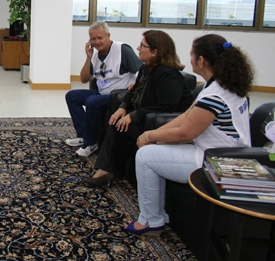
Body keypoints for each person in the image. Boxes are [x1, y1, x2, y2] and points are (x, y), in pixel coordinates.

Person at [128, 34, 254, 236]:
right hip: (220, 153)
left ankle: (150, 220)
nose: (190, 58)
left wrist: (150, 136)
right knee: (153, 149)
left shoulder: (215, 95)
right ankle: (158, 215)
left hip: (217, 161)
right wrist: (153, 135)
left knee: (144, 156)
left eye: (191, 54)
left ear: (201, 60)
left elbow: (185, 132)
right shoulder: (218, 85)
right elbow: (187, 115)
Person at [83, 30, 194, 187]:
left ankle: (108, 171)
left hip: (161, 123)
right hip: (146, 117)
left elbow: (167, 106)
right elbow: (133, 92)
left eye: (143, 45)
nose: (138, 48)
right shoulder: (146, 69)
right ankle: (109, 170)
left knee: (120, 127)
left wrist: (133, 116)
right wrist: (122, 108)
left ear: (155, 51)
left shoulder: (168, 75)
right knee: (115, 122)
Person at [65, 21, 142, 157]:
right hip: (102, 92)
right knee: (71, 96)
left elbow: (142, 71)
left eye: (100, 38)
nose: (97, 42)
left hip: (119, 95)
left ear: (108, 36)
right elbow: (83, 79)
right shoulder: (95, 54)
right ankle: (82, 135)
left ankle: (91, 143)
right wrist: (88, 57)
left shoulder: (122, 50)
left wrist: (135, 84)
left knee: (92, 101)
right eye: (93, 39)